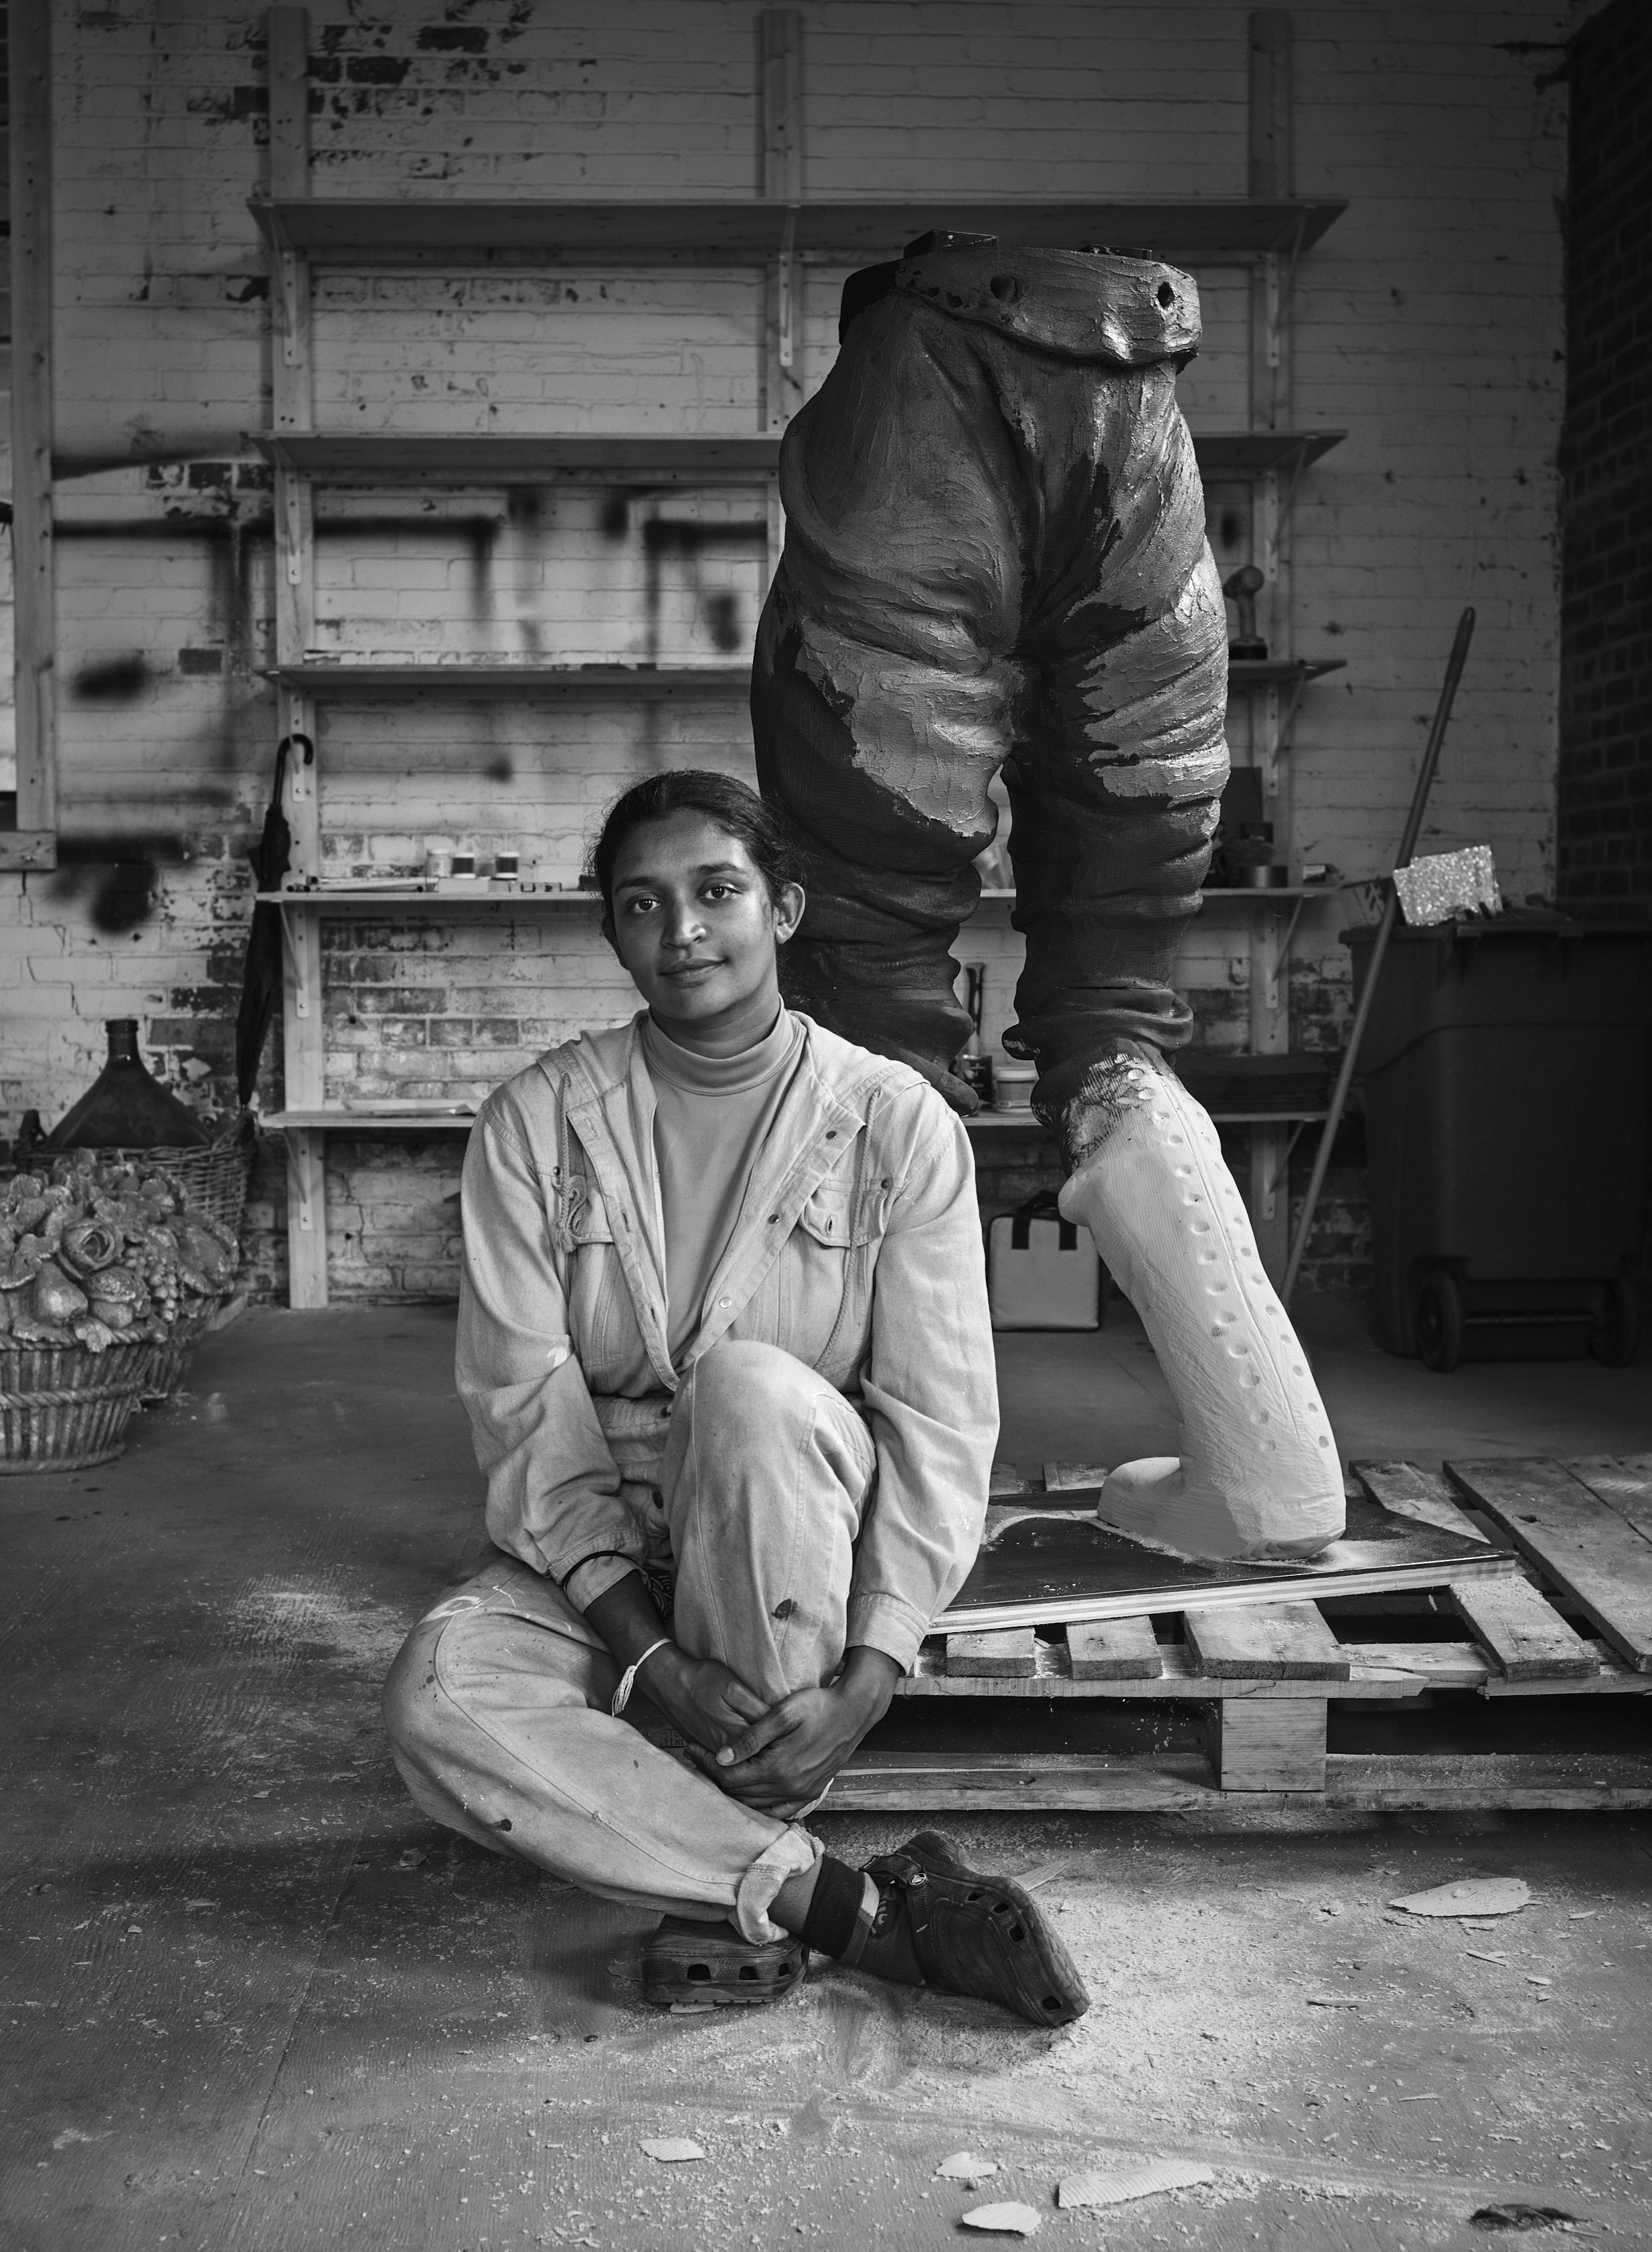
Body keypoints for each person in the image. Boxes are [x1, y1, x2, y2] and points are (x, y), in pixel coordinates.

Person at [383, 770, 1089, 2026]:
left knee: (750, 1394)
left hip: (786, 1521)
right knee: (437, 1695)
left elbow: (938, 1418)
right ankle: (850, 1905)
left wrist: (870, 1674)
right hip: (598, 1547)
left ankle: (679, 1811)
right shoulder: (537, 1125)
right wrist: (644, 1652)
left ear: (785, 909)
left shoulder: (892, 1122)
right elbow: (523, 1404)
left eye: (718, 893)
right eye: (642, 906)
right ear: (613, 934)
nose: (684, 932)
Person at [752, 230, 1347, 1563]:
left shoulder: (919, 357)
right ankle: (1273, 1481)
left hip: (925, 388)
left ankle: (866, 1505)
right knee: (1116, 1022)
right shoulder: (1138, 405)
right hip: (1147, 401)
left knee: (869, 1003)